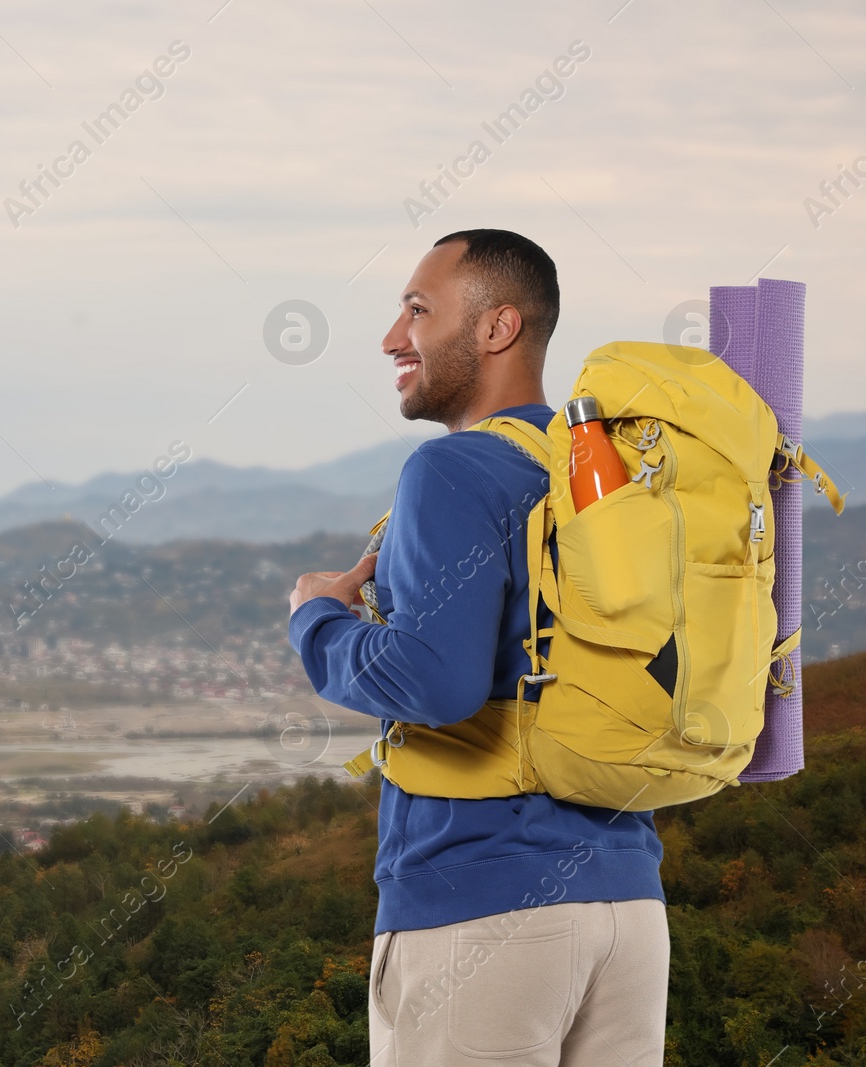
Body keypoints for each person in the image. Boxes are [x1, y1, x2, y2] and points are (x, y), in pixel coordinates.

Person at [286, 230, 667, 1065]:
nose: (393, 337)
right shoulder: (603, 479)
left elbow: (439, 682)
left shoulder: (452, 470)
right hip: (630, 905)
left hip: (480, 904)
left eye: (418, 310)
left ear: (497, 328)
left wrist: (318, 621)